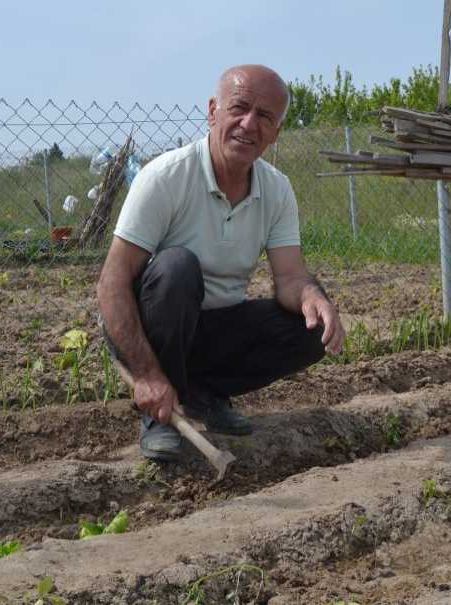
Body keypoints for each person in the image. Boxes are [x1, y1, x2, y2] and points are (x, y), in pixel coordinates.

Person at [96, 64, 345, 461]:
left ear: (276, 132)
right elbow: (112, 282)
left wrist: (312, 295)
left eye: (265, 116)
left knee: (312, 326)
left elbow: (290, 276)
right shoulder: (166, 177)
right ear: (213, 111)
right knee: (177, 268)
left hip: (214, 328)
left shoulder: (276, 189)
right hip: (154, 326)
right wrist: (144, 375)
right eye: (239, 108)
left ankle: (203, 393)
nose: (249, 124)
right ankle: (159, 417)